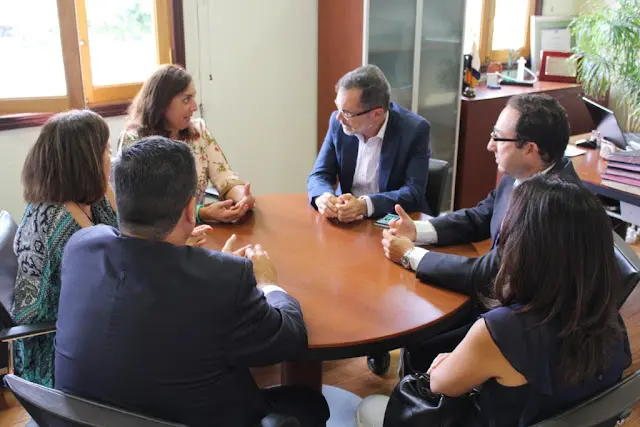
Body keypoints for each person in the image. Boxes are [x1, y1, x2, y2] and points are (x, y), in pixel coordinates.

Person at [55, 137, 329, 427]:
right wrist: (267, 284)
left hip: (86, 419)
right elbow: (289, 339)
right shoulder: (223, 279)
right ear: (190, 209)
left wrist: (213, 270)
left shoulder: (80, 247)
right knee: (309, 403)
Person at [361, 175, 631, 427]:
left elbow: (438, 385)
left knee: (370, 407)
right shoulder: (611, 321)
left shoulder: (503, 331)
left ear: (523, 249)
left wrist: (453, 360)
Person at [381, 93, 579, 371]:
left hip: (527, 325)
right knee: (419, 319)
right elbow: (479, 217)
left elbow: (489, 273)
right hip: (496, 299)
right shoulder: (522, 175)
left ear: (530, 148)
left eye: (498, 137)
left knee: (422, 339)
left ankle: (427, 395)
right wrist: (418, 230)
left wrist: (409, 255)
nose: (489, 145)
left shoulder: (552, 205)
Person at [11, 110, 117, 387]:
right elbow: (114, 280)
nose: (112, 158)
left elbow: (122, 239)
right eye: (106, 151)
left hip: (83, 326)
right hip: (54, 350)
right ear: (86, 162)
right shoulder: (58, 225)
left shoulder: (88, 199)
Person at [119, 64, 254, 224]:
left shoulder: (198, 132)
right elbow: (143, 208)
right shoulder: (134, 141)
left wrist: (242, 198)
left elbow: (223, 176)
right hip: (156, 234)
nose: (194, 107)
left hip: (198, 231)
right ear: (162, 103)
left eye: (193, 98)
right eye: (186, 99)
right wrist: (201, 213)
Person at [307, 64, 431, 222]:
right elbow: (319, 174)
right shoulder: (339, 123)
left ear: (377, 114)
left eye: (347, 113)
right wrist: (323, 197)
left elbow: (413, 192)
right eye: (338, 107)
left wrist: (364, 205)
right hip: (347, 219)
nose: (339, 117)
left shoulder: (414, 130)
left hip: (390, 221)